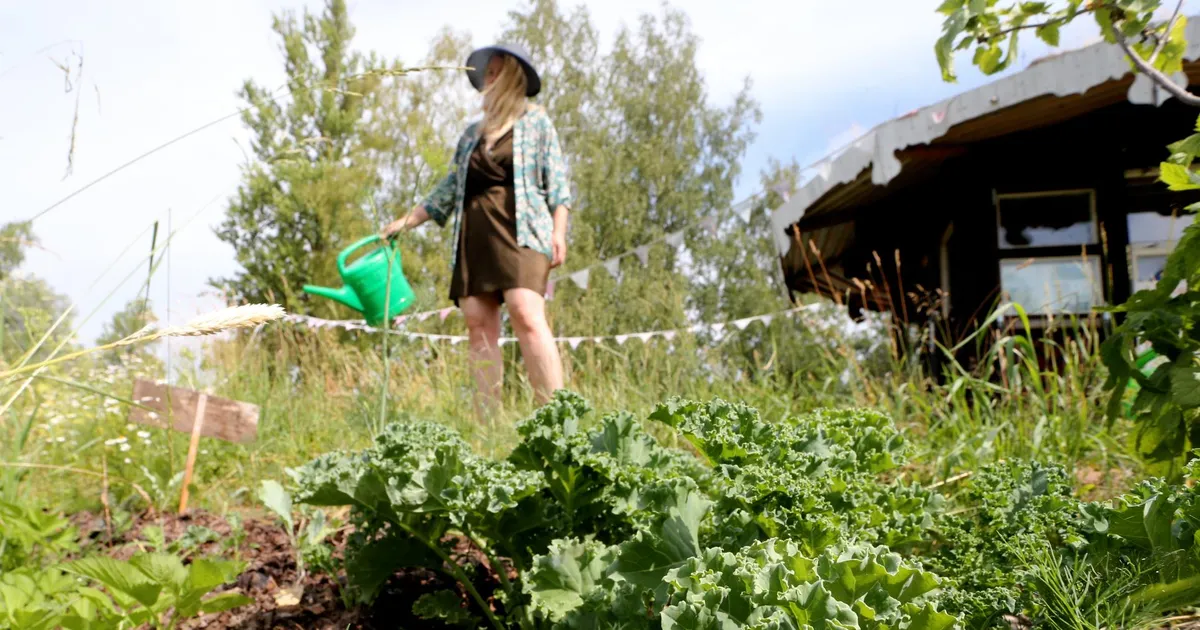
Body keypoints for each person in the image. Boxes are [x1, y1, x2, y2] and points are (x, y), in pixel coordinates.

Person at [382, 43, 571, 419]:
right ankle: (486, 427)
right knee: (478, 326)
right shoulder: (471, 135)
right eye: (487, 73)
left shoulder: (536, 123)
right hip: (475, 239)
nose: (489, 79)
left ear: (512, 78)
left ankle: (556, 420)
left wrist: (559, 231)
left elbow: (558, 184)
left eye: (496, 72)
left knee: (526, 314)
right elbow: (448, 189)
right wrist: (406, 221)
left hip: (524, 233)